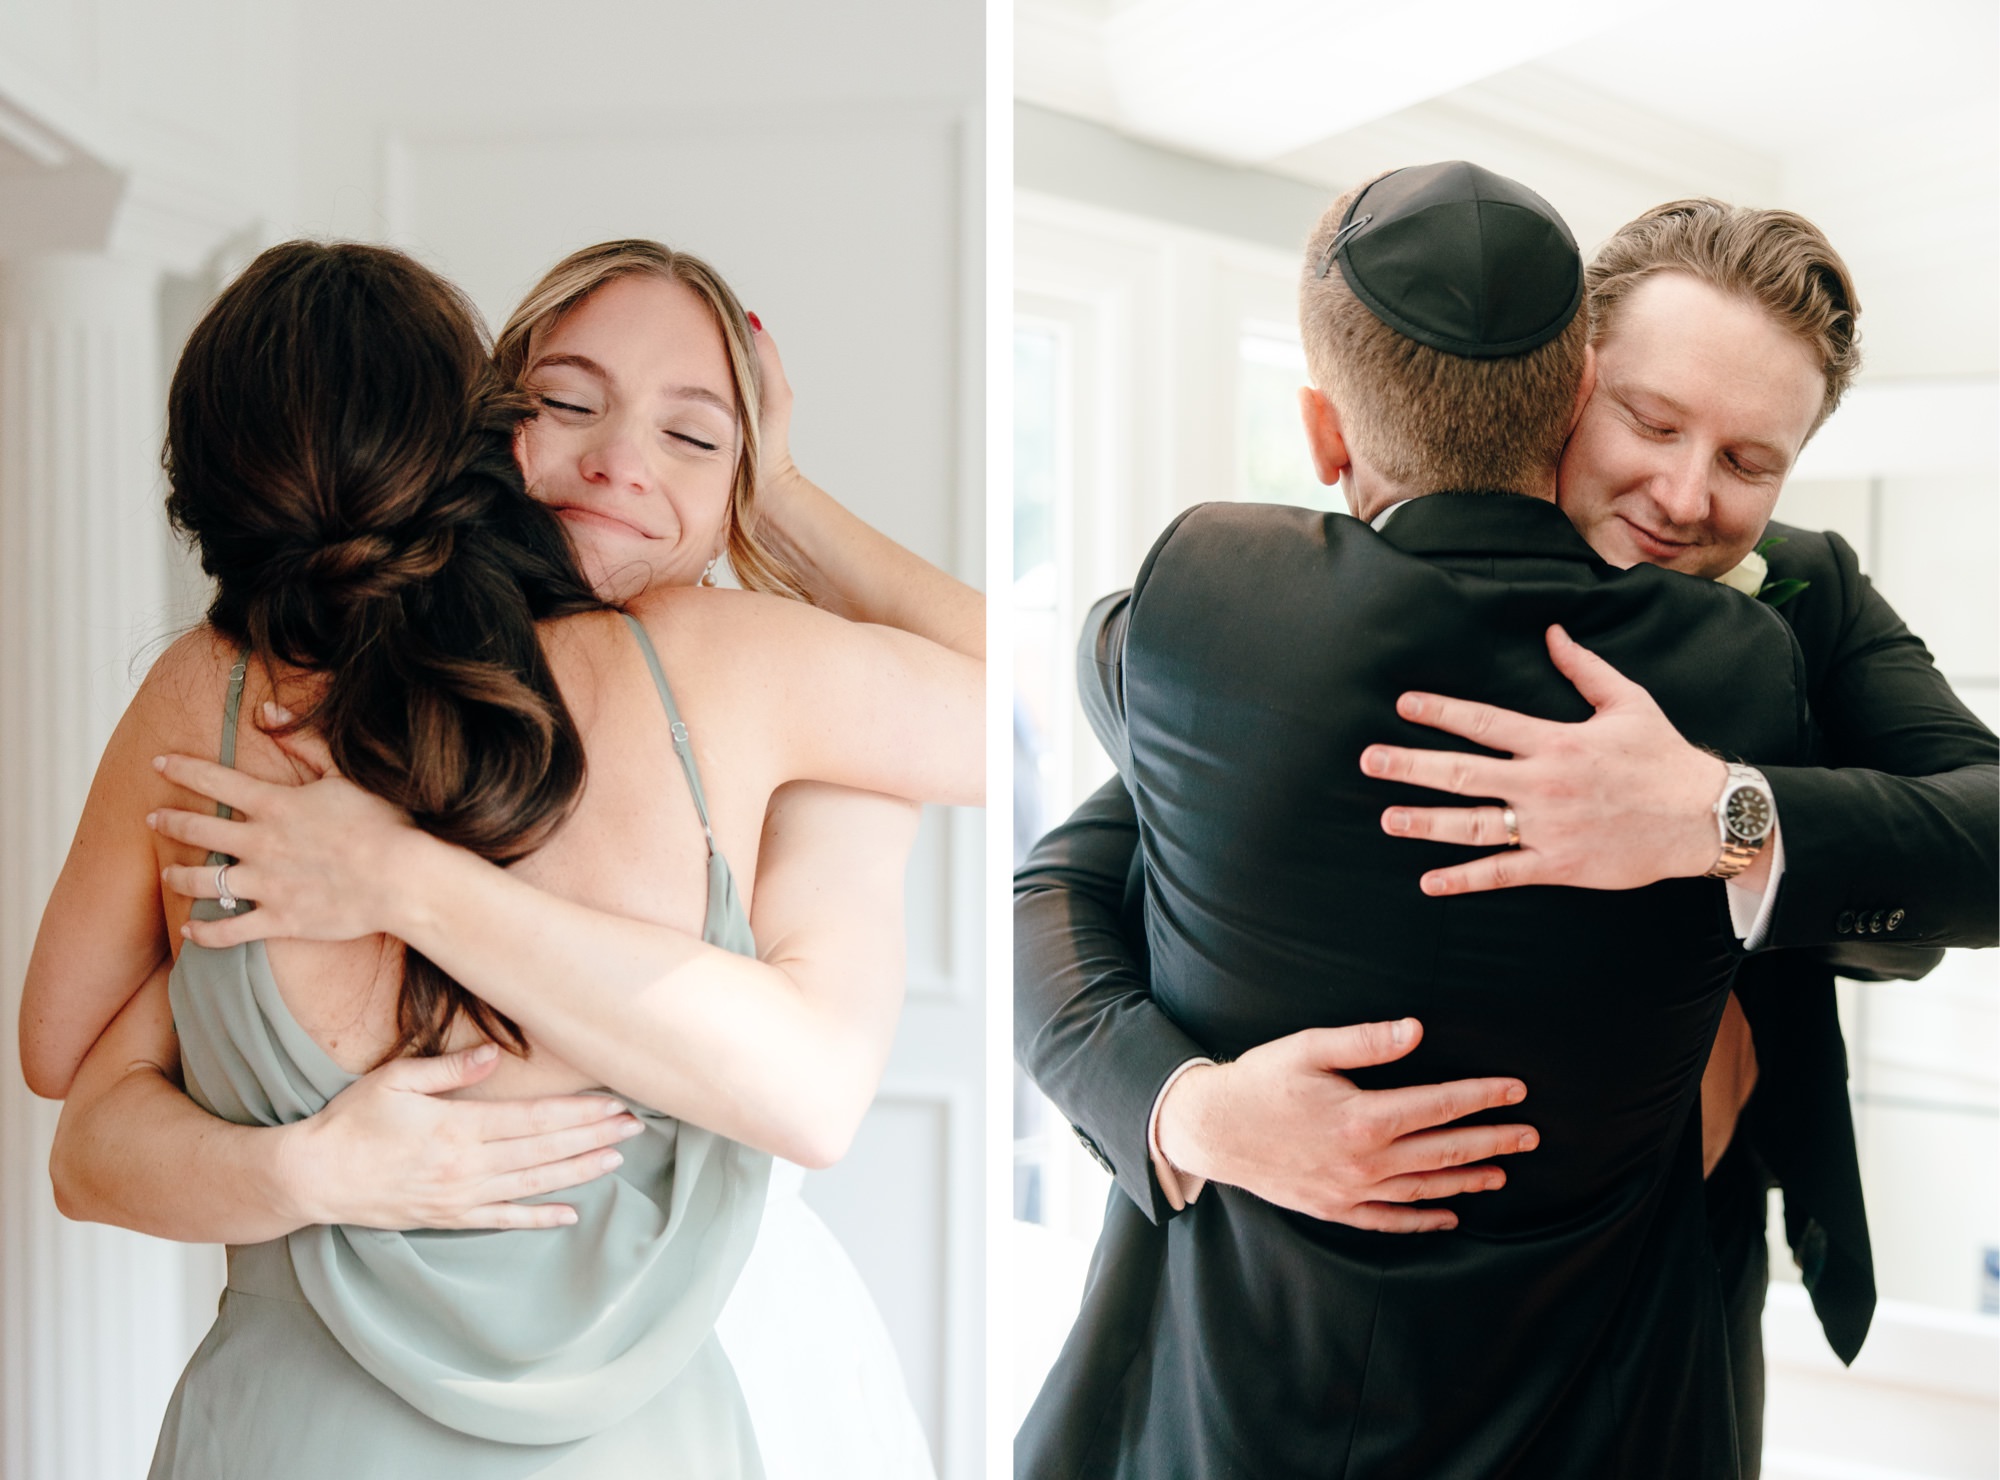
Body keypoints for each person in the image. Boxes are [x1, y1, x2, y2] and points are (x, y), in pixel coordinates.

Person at [1015, 199, 1998, 1476]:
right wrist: (1181, 1110)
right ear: (1566, 376)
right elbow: (1065, 883)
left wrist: (1719, 814)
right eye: (1649, 422)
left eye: (1748, 462)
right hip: (1263, 1333)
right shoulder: (1312, 607)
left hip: (1648, 1314)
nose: (1683, 493)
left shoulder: (1804, 606)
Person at [18, 241, 979, 1478]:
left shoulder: (221, 690)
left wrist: (318, 926)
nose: (619, 461)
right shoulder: (721, 671)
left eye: (697, 436)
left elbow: (63, 1055)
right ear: (481, 429)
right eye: (568, 404)